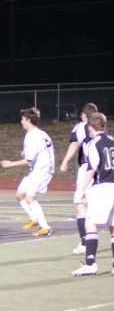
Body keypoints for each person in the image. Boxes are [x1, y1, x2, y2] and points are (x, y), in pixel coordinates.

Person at [0, 107, 54, 237]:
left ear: (28, 120)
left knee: (30, 197)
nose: (21, 121)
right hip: (37, 169)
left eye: (23, 119)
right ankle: (34, 218)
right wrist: (27, 153)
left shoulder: (31, 136)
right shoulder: (41, 133)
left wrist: (10, 164)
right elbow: (38, 151)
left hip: (41, 171)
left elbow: (29, 160)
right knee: (19, 195)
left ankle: (45, 227)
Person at [71, 112, 114, 276]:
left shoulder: (94, 144)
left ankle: (90, 264)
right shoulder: (112, 141)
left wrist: (81, 190)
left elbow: (92, 168)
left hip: (102, 187)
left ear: (91, 126)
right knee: (113, 227)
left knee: (90, 223)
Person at [60, 102, 98, 254]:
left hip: (87, 169)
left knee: (81, 204)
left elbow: (75, 144)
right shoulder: (103, 130)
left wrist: (65, 161)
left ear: (83, 116)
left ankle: (85, 242)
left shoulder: (82, 126)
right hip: (103, 171)